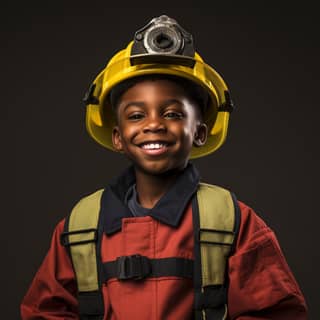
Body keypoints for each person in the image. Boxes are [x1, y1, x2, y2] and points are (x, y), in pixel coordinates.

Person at [21, 15, 307, 320]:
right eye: (135, 116)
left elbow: (277, 311)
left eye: (172, 113)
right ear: (117, 137)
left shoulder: (232, 222)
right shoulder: (81, 227)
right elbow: (44, 311)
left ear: (199, 132)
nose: (154, 124)